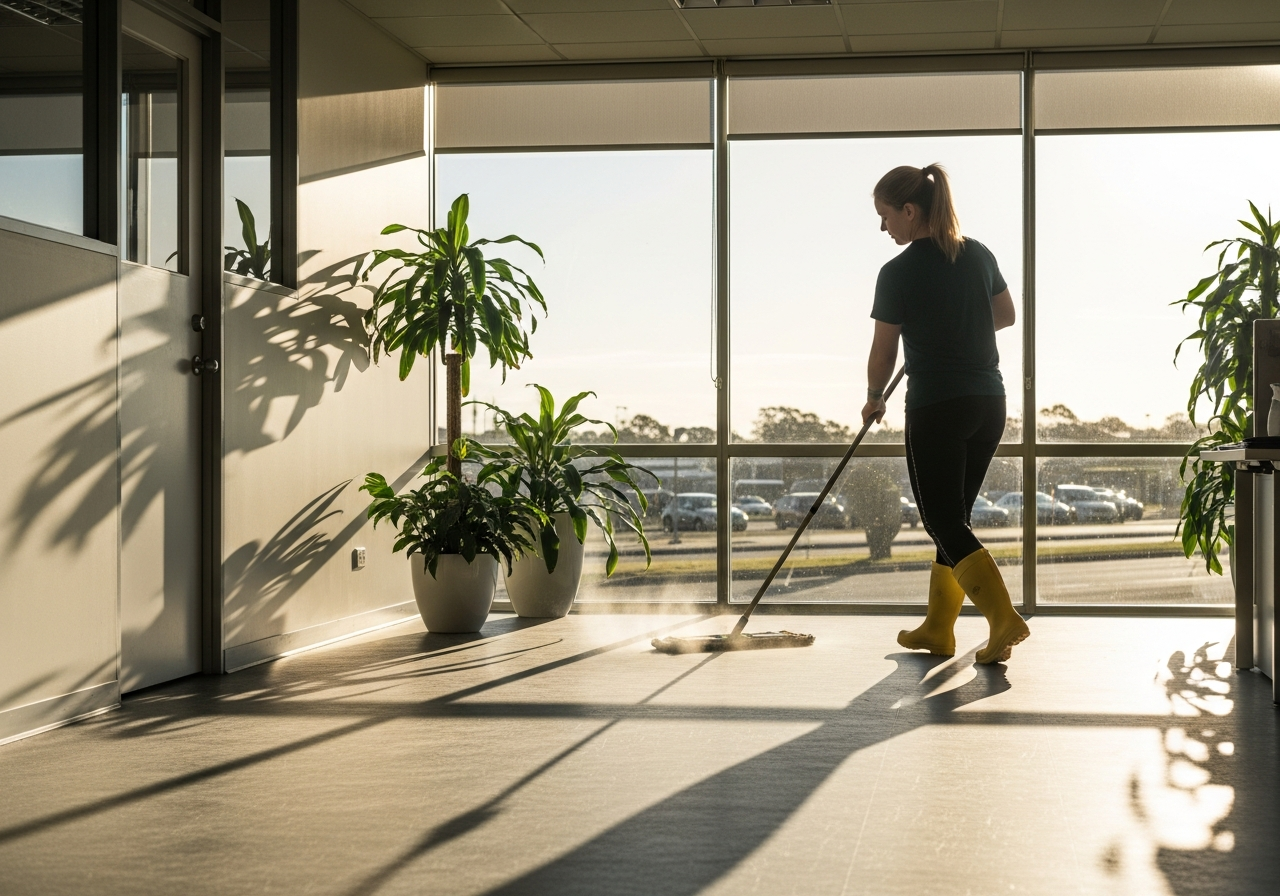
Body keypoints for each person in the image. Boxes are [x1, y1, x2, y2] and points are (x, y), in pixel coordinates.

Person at [861, 163, 1029, 664]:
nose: (883, 226)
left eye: (886, 215)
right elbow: (1005, 315)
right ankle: (938, 629)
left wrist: (874, 395)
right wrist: (957, 327)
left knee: (940, 519)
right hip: (988, 404)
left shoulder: (897, 272)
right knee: (953, 520)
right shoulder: (978, 254)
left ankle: (1003, 618)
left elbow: (883, 351)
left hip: (937, 406)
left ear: (910, 211)